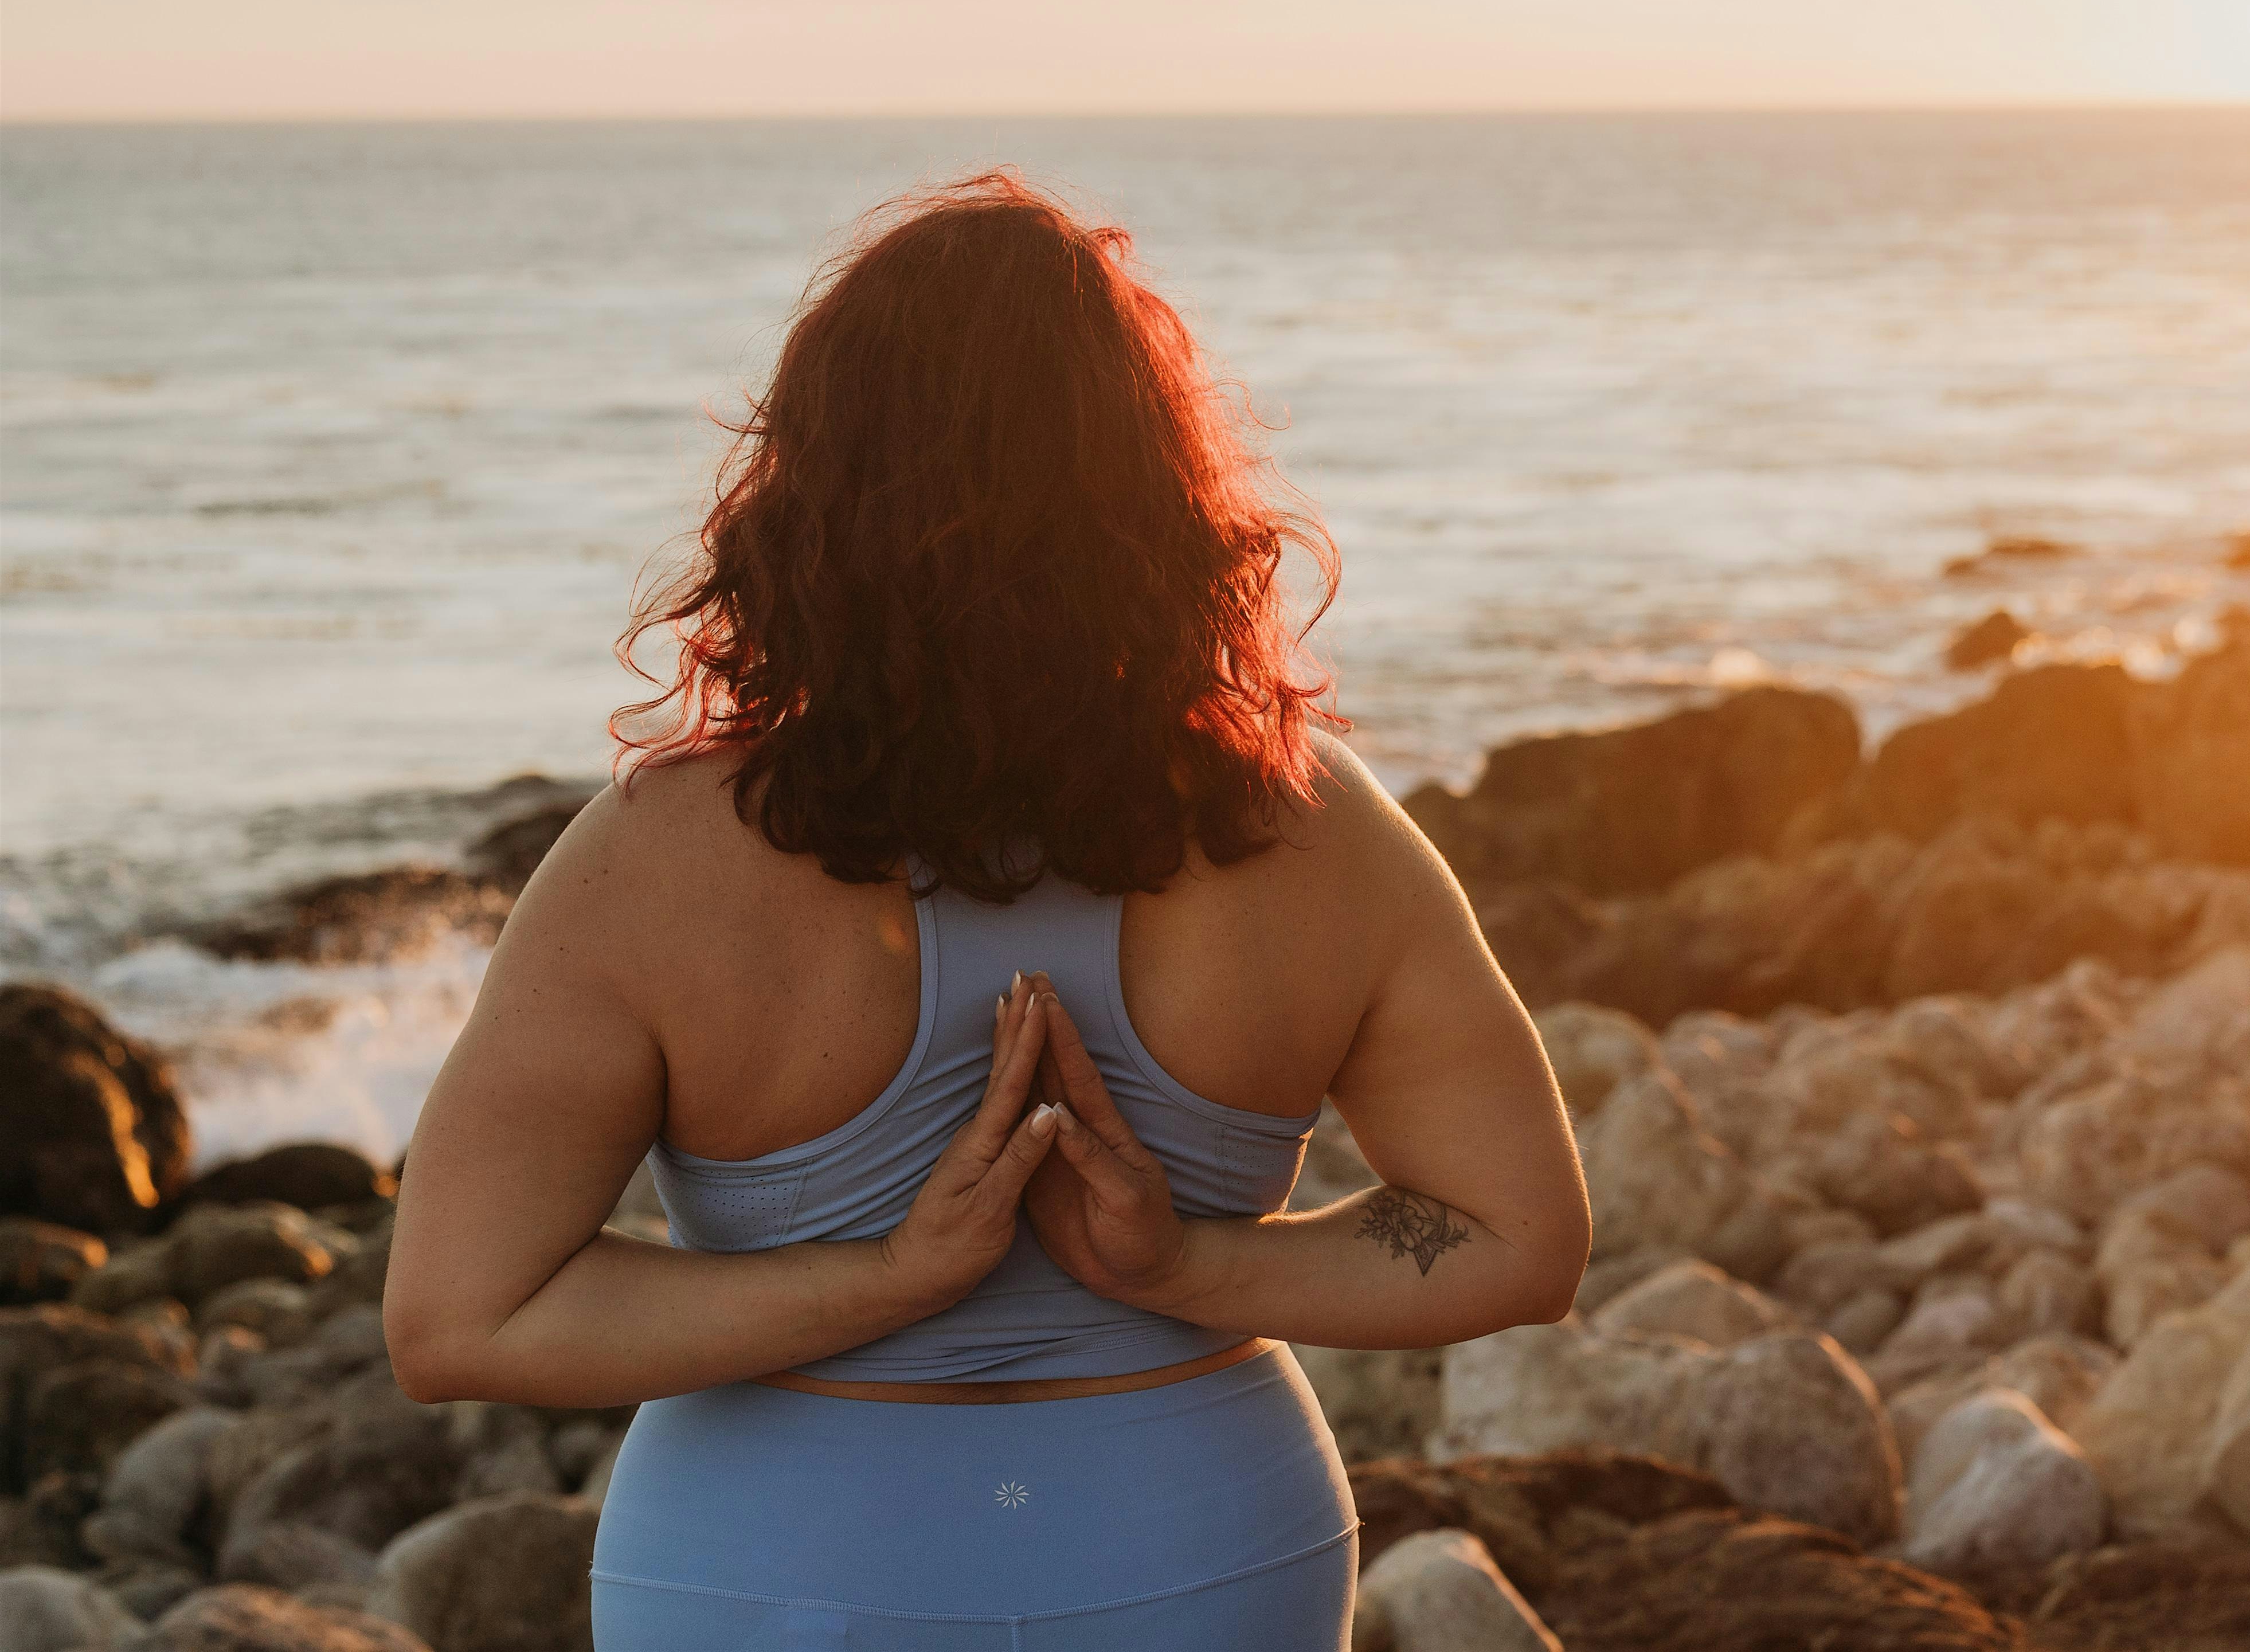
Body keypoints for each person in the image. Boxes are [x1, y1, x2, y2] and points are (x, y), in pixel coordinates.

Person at [383, 174, 1592, 1650]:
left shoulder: (652, 863)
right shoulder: (1311, 830)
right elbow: (1520, 1240)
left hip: (773, 1561)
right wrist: (1183, 1268)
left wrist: (884, 1279)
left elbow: (459, 1319)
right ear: (1159, 488)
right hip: (1194, 1544)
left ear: (808, 492)